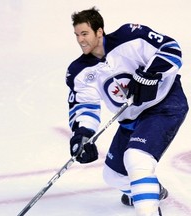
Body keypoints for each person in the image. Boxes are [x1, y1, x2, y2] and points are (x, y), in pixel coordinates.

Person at [66, 6, 189, 216]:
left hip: (164, 105)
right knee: (114, 175)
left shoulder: (130, 37)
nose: (80, 40)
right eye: (77, 35)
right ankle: (152, 191)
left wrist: (151, 74)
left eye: (85, 33)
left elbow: (171, 48)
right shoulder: (78, 70)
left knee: (137, 158)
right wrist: (83, 133)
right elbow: (84, 105)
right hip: (131, 120)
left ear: (99, 31)